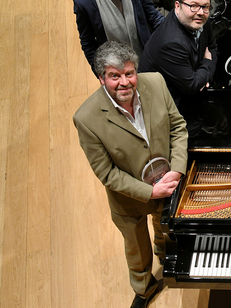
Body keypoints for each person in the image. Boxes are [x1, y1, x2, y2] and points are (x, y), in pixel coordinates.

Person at [73, 41, 188, 308]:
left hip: (167, 184)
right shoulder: (86, 118)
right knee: (136, 250)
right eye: (115, 76)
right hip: (129, 200)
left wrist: (178, 169)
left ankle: (165, 255)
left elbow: (178, 128)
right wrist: (150, 191)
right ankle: (144, 289)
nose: (125, 82)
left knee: (164, 229)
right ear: (101, 78)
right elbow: (107, 173)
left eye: (129, 73)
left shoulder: (156, 83)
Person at [139, 0, 218, 132]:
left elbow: (213, 47)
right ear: (177, 6)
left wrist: (202, 75)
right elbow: (193, 85)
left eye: (205, 6)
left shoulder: (199, 19)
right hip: (165, 110)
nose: (200, 12)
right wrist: (206, 66)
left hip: (184, 88)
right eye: (193, 6)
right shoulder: (171, 43)